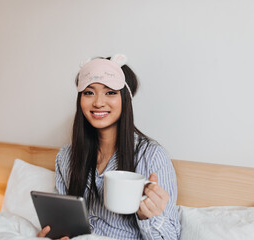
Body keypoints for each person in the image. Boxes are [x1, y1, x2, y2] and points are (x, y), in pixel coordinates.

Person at [38, 54, 181, 239]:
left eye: (110, 92)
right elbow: (62, 224)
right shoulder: (66, 157)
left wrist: (148, 216)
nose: (98, 102)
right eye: (89, 92)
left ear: (125, 99)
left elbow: (170, 237)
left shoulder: (151, 156)